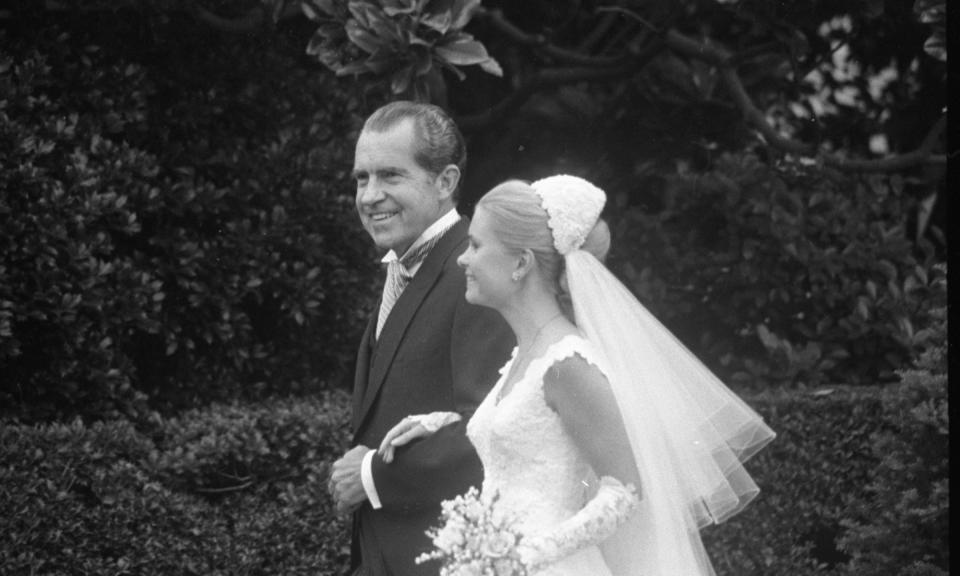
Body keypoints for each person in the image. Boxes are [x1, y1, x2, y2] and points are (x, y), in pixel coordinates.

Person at [378, 175, 776, 575]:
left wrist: (524, 556)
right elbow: (527, 435)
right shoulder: (528, 352)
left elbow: (625, 490)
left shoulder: (567, 363)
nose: (464, 258)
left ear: (521, 263)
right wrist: (439, 422)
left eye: (477, 245)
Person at [327, 101, 514, 576]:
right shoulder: (403, 266)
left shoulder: (477, 275)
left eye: (390, 176)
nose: (369, 196)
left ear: (446, 182)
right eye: (361, 178)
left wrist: (373, 475)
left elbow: (499, 431)